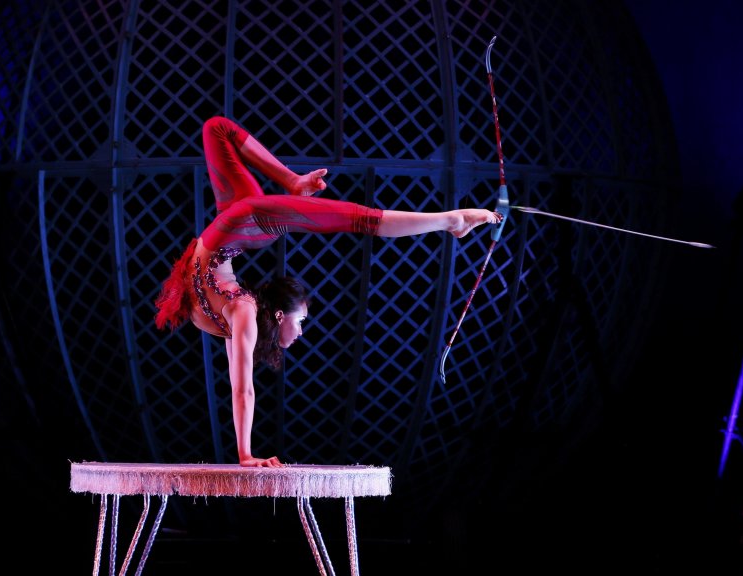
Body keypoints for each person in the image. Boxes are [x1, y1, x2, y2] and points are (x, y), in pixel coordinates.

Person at [154, 116, 502, 468]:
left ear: (279, 314)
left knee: (360, 219)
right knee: (215, 128)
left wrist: (246, 455)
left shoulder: (242, 312)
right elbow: (238, 384)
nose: (301, 330)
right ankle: (294, 181)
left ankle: (450, 220)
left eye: (301, 321)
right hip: (233, 227)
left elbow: (242, 390)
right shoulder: (238, 317)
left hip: (250, 221)